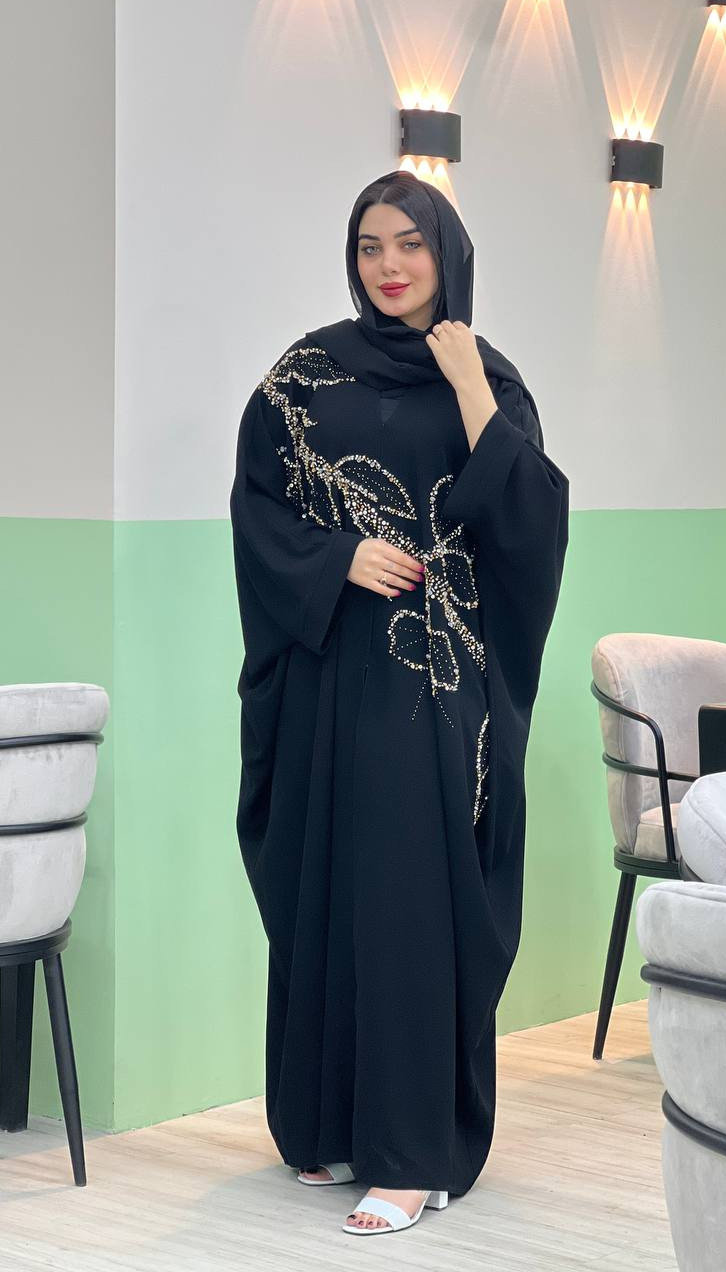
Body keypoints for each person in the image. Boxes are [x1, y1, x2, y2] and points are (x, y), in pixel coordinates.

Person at [228, 168, 569, 1236]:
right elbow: (258, 508)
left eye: (410, 244)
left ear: (445, 254)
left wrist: (468, 386)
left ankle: (414, 1153)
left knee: (414, 905)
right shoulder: (304, 375)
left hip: (434, 691)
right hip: (327, 680)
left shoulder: (487, 376)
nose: (389, 265)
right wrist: (336, 558)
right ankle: (330, 1122)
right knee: (329, 890)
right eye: (371, 245)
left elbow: (528, 524)